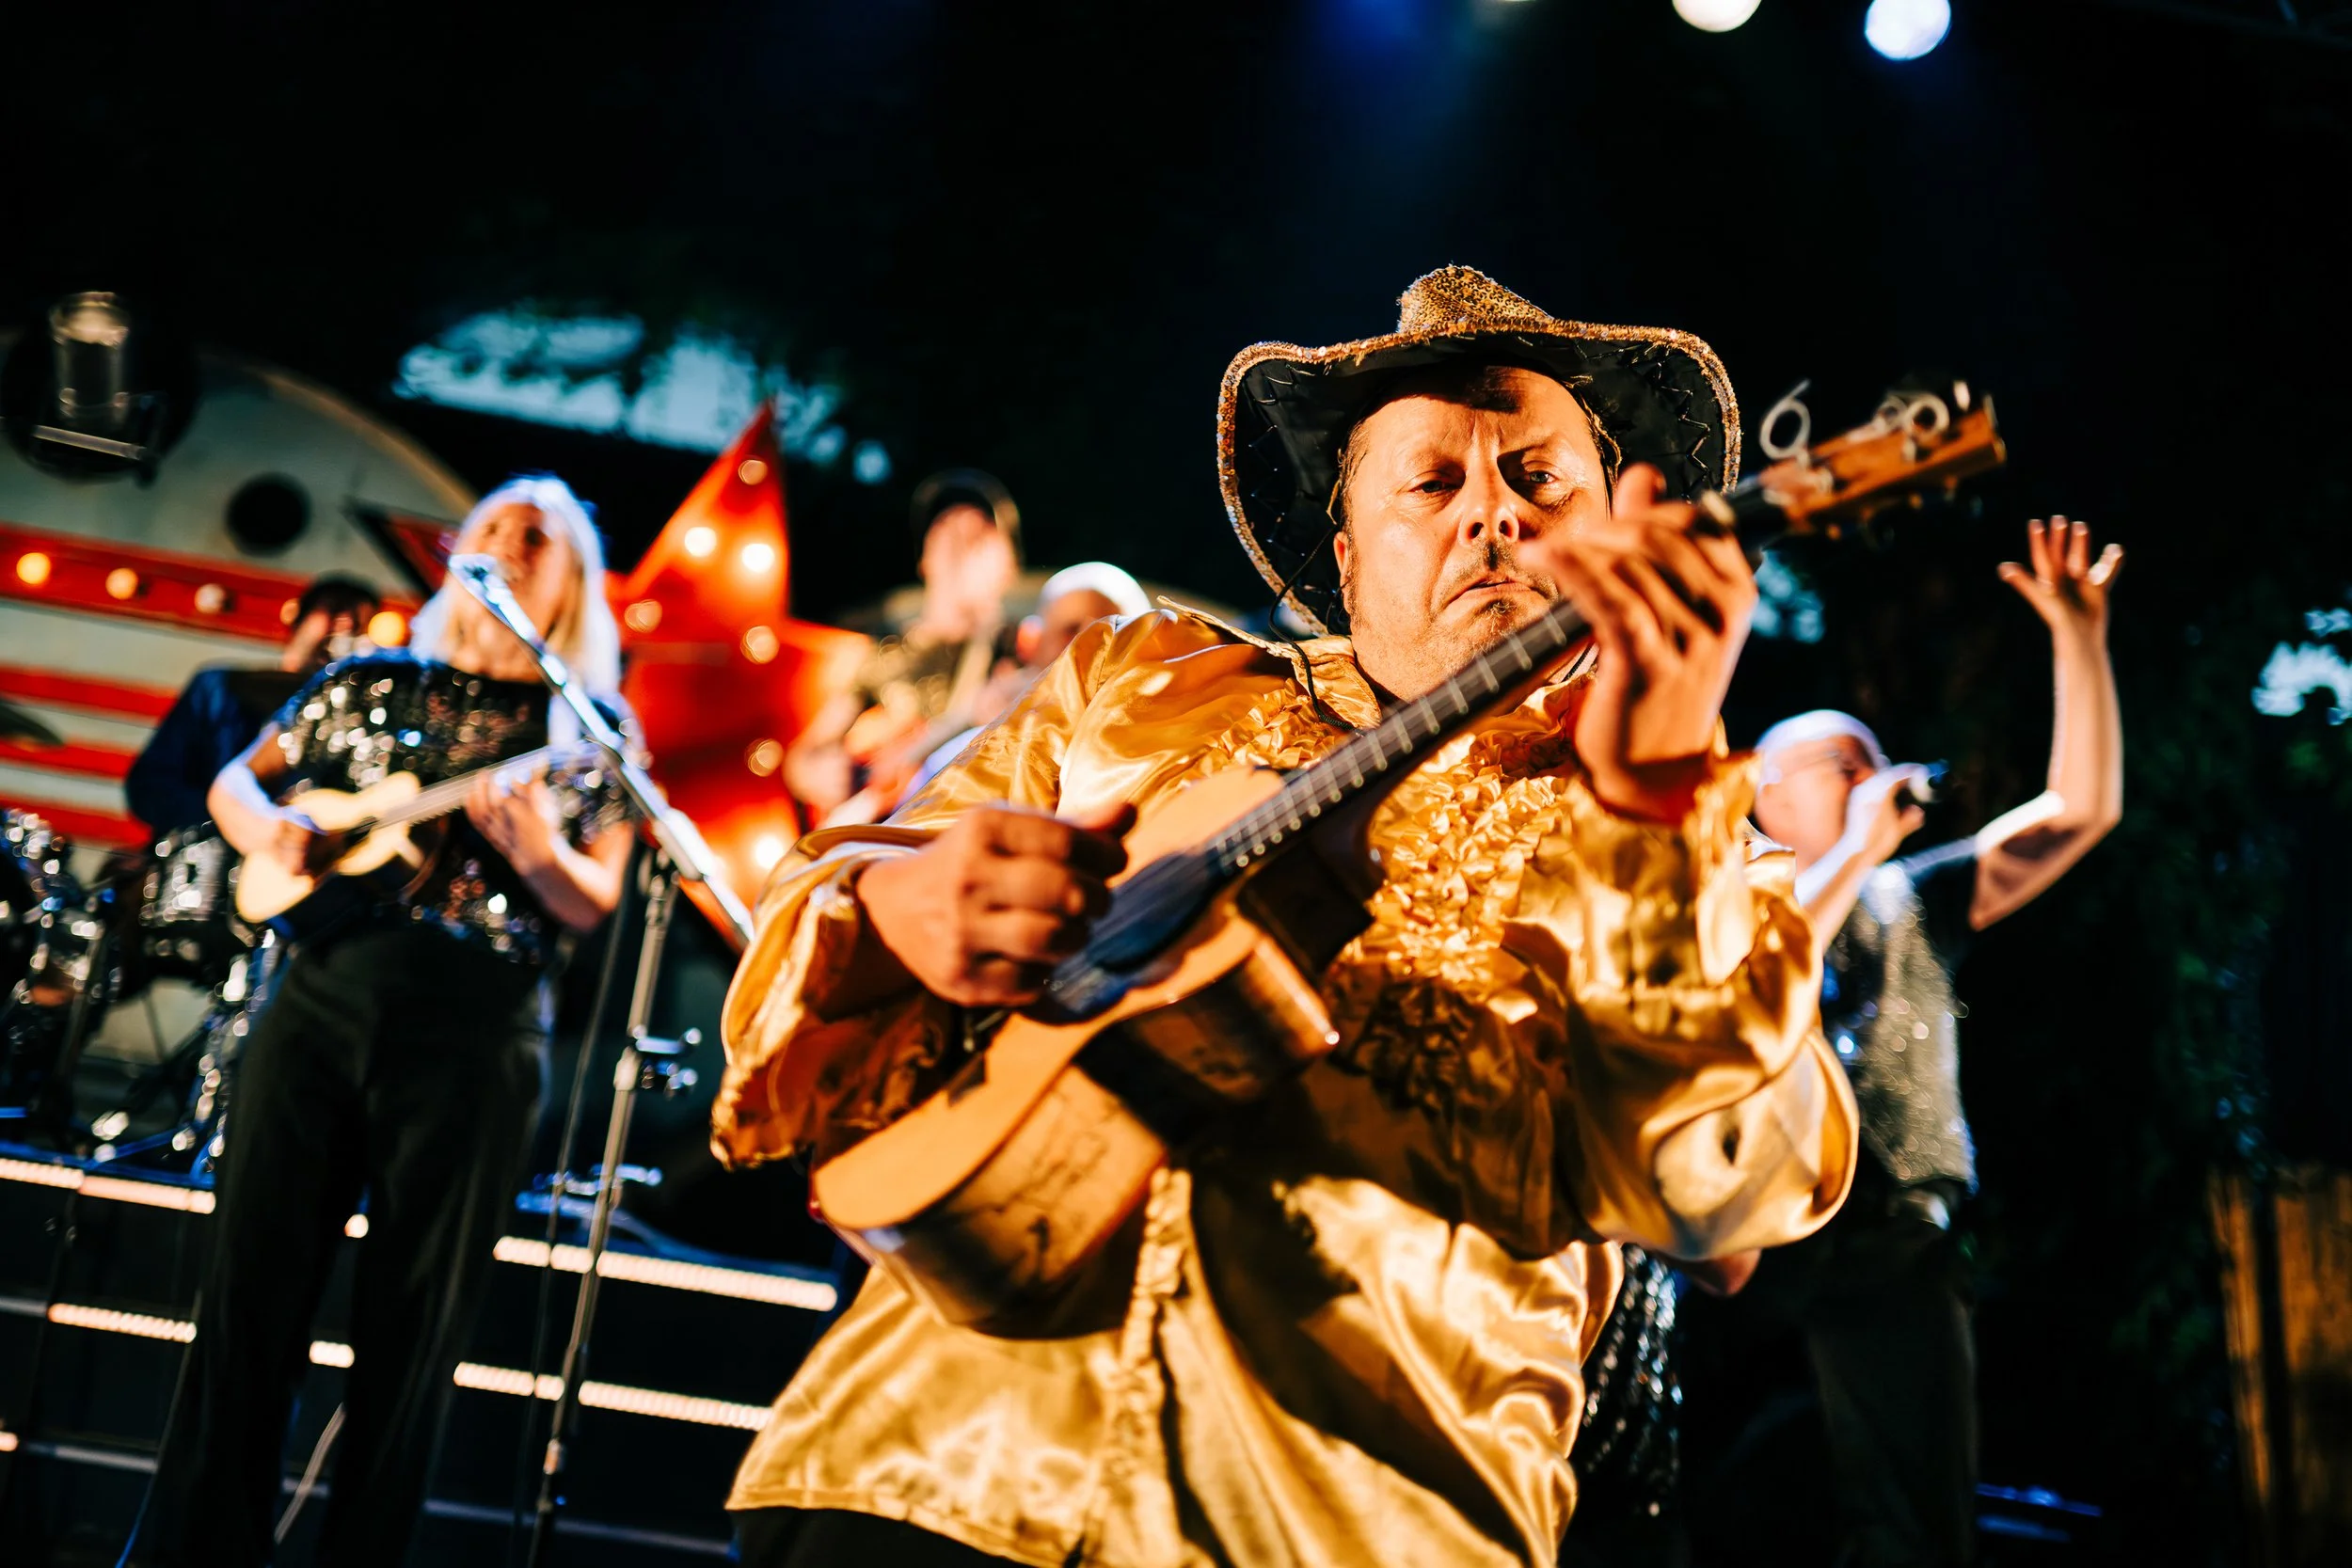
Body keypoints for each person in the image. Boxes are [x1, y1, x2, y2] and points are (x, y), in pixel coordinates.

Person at [711, 267, 1858, 1568]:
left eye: (1543, 479)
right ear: (1346, 553)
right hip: (913, 1471)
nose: (1494, 510)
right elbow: (807, 931)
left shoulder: (1699, 835)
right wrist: (893, 901)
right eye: (1434, 482)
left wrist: (1655, 800)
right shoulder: (1133, 677)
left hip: (1346, 1523)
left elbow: (1726, 1205)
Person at [119, 476, 636, 1568]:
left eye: (535, 538)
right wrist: (277, 832)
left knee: (414, 1337)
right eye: (491, 527)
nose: (505, 544)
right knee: (250, 1301)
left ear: (573, 581)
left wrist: (539, 851)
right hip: (322, 990)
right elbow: (232, 782)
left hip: (475, 1028)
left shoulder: (583, 726)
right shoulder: (367, 679)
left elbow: (597, 898)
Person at [1724, 516, 2124, 1568]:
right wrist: (1855, 845)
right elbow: (1766, 965)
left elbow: (2077, 808)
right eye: (1833, 761)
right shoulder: (1718, 901)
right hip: (1745, 1251)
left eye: (1871, 758)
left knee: (1913, 1528)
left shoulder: (1912, 890)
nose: (1866, 775)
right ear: (1762, 794)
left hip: (1895, 1239)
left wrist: (2077, 638)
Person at [785, 484, 1021, 826]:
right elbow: (803, 756)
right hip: (875, 828)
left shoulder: (1015, 646)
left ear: (1006, 564)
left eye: (979, 533)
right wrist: (818, 773)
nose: (960, 542)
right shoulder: (882, 654)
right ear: (926, 557)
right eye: (945, 528)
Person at [122, 575, 381, 834]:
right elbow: (149, 786)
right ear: (297, 619)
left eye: (360, 623)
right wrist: (236, 825)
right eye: (334, 610)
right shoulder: (217, 688)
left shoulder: (356, 722)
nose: (347, 626)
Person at [909, 560, 1152, 791]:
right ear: (1031, 642)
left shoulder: (1151, 751)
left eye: (1116, 632)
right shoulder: (968, 749)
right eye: (1071, 631)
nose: (1093, 646)